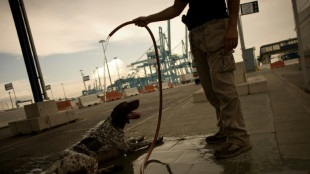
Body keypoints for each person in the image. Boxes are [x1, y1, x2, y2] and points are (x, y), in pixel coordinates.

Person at [132, 0, 251, 159]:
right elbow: (176, 8)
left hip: (216, 28)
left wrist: (232, 26)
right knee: (211, 90)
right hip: (195, 34)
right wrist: (148, 18)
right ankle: (225, 130)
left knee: (223, 87)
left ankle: (239, 138)